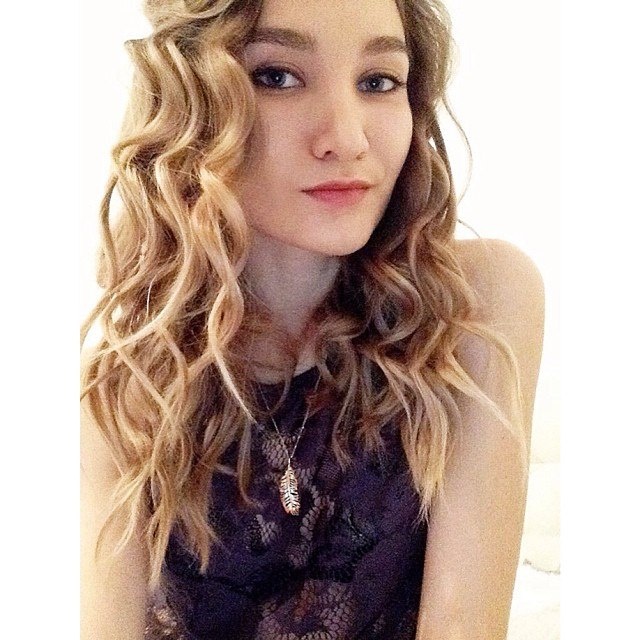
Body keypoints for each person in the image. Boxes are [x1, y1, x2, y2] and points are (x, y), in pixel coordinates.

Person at [80, 0, 545, 638]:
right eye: (277, 77)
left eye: (378, 81)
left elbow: (464, 626)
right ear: (190, 101)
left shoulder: (478, 303)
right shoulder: (129, 382)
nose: (348, 139)